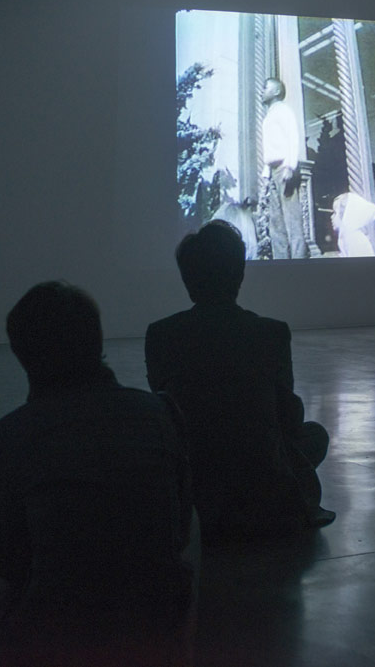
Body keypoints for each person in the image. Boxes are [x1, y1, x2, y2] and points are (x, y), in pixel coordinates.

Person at [0, 281, 196, 667]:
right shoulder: (159, 412)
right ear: (96, 339)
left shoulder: (9, 435)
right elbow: (179, 527)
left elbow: (7, 560)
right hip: (156, 614)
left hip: (58, 629)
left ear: (22, 353)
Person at [145, 221, 335, 544]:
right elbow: (289, 417)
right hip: (262, 481)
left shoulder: (161, 334)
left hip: (196, 482)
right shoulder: (271, 333)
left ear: (188, 279)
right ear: (240, 274)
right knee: (315, 435)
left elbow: (166, 412)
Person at [260, 77, 310, 259]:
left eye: (265, 88)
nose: (262, 91)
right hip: (273, 170)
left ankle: (298, 262)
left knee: (291, 220)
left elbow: (293, 138)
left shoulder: (283, 110)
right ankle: (280, 261)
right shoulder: (269, 115)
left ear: (276, 91)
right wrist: (266, 173)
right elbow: (270, 147)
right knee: (276, 222)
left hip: (284, 168)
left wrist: (289, 165)